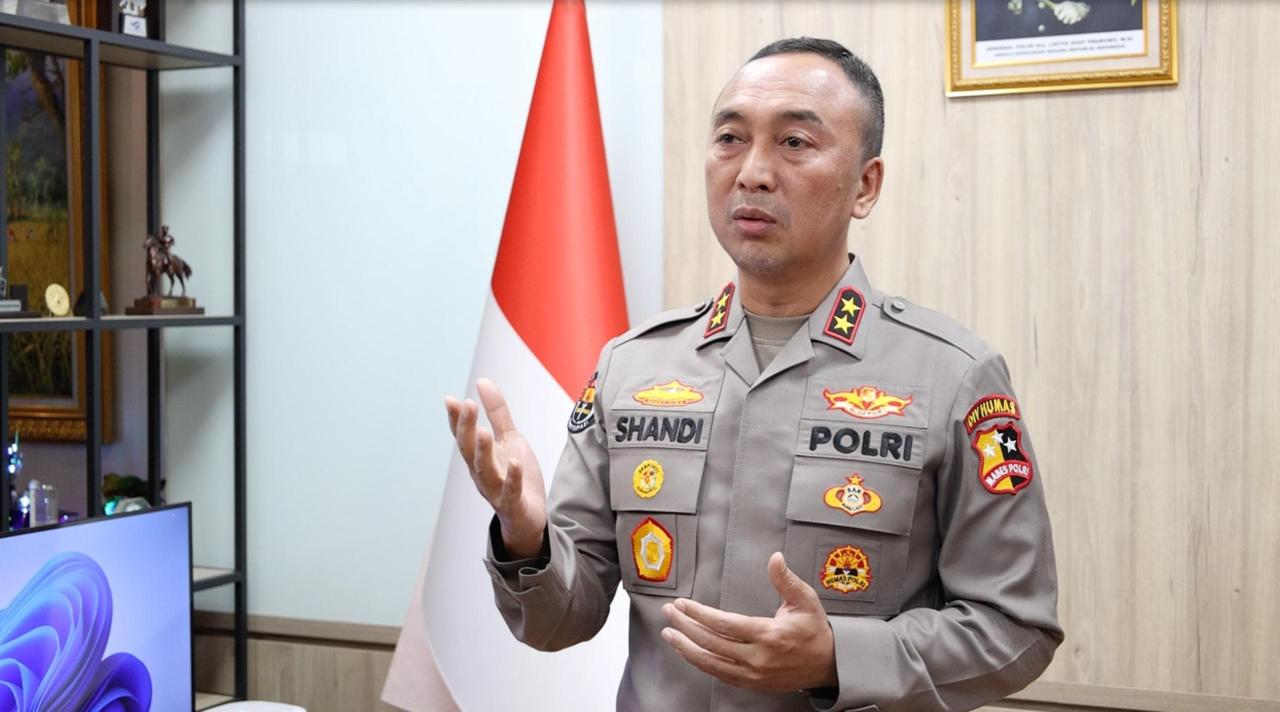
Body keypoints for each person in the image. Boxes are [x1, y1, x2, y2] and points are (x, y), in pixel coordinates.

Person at [445, 37, 1062, 712]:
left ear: (865, 185)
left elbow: (1016, 628)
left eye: (795, 142)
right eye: (730, 139)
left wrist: (837, 659)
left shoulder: (953, 376)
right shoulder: (634, 366)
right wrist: (527, 539)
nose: (753, 173)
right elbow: (560, 621)